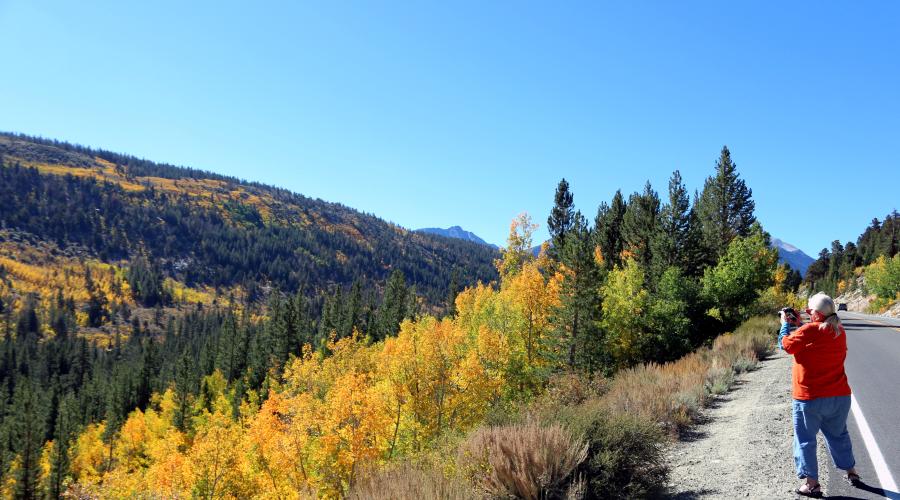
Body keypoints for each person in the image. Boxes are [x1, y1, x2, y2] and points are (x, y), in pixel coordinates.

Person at [780, 292, 859, 498]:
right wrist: (801, 324)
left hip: (809, 397)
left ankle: (812, 484)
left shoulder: (809, 330)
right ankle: (851, 472)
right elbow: (813, 339)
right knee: (838, 434)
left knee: (805, 440)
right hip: (839, 396)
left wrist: (784, 325)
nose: (806, 314)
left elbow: (787, 345)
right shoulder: (839, 331)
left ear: (815, 313)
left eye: (809, 311)